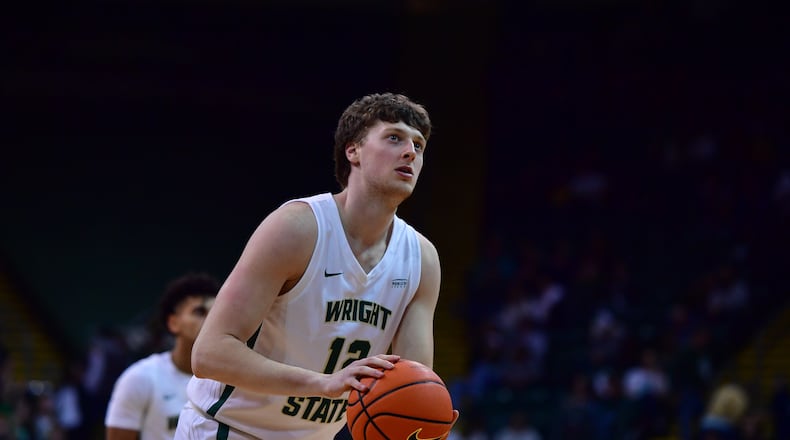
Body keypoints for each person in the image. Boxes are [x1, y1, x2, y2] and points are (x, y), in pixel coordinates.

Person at [176, 92, 458, 439]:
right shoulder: (298, 228)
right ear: (352, 151)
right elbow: (209, 354)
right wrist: (322, 383)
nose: (410, 152)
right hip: (230, 429)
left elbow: (409, 380)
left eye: (419, 145)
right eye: (394, 137)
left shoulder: (422, 259)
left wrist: (423, 413)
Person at [105, 273, 220, 440]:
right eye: (200, 312)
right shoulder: (140, 377)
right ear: (173, 323)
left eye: (215, 313)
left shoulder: (231, 380)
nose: (210, 320)